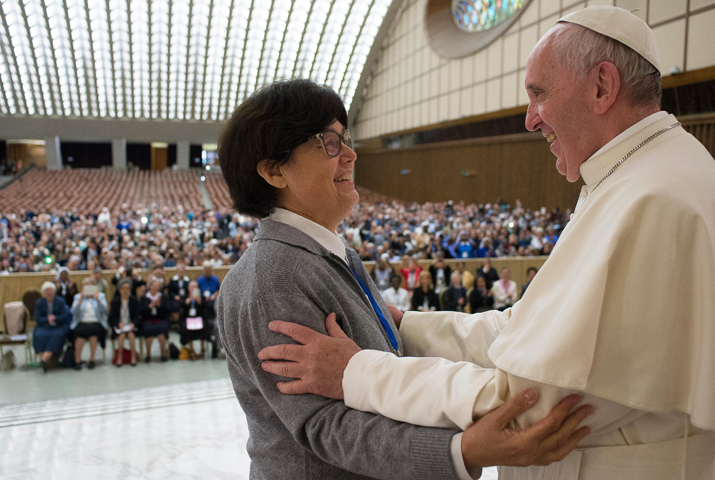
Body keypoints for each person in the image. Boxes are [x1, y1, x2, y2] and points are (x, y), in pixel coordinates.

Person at [259, 7, 715, 479]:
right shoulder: (644, 177)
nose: (530, 119)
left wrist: (358, 372)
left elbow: (527, 408)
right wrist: (409, 327)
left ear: (602, 86)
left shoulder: (652, 200)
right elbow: (526, 334)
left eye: (539, 94)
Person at [216, 79, 590, 480]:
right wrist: (457, 451)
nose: (350, 155)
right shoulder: (276, 274)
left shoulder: (322, 256)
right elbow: (326, 426)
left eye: (345, 139)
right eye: (329, 143)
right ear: (274, 171)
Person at [70, 277, 108, 369]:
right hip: (82, 322)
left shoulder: (101, 296)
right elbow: (74, 312)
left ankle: (92, 359)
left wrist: (98, 299)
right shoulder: (78, 297)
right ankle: (78, 360)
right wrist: (80, 300)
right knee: (79, 334)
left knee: (93, 333)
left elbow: (104, 310)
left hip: (96, 322)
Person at [33, 281, 70, 372]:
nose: (49, 293)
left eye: (51, 291)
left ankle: (44, 359)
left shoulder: (60, 301)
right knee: (38, 335)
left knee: (56, 336)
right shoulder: (39, 302)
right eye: (47, 291)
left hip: (58, 326)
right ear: (44, 293)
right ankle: (44, 360)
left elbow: (64, 316)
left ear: (54, 291)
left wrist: (55, 318)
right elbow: (37, 318)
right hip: (44, 326)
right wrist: (47, 319)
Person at [109, 279, 139, 367]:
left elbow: (137, 315)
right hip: (121, 325)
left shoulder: (134, 300)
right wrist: (118, 323)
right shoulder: (115, 301)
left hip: (130, 325)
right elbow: (112, 316)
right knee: (121, 336)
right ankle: (119, 357)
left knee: (131, 335)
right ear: (120, 290)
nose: (126, 291)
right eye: (124, 288)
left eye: (128, 288)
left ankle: (133, 356)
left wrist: (133, 323)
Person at [139, 278, 169, 362]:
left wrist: (159, 306)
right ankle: (148, 354)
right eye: (154, 285)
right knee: (148, 330)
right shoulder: (144, 298)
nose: (155, 287)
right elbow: (141, 312)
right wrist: (150, 306)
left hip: (160, 319)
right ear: (150, 286)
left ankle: (163, 353)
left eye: (157, 286)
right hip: (148, 320)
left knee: (162, 329)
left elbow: (166, 311)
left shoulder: (163, 297)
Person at [179, 280, 208, 358]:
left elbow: (205, 307)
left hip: (199, 318)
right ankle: (191, 350)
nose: (193, 288)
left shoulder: (201, 297)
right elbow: (182, 306)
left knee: (204, 326)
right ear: (188, 288)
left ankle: (202, 349)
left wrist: (199, 301)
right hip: (188, 318)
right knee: (186, 327)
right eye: (191, 287)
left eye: (195, 287)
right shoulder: (184, 296)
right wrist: (189, 299)